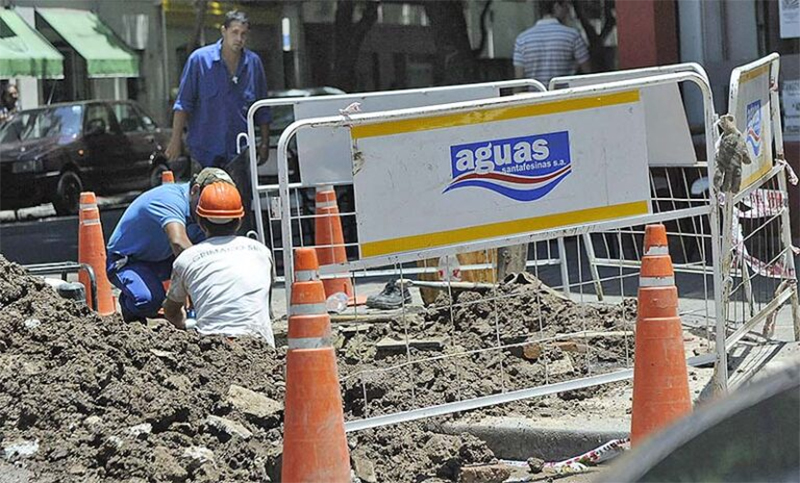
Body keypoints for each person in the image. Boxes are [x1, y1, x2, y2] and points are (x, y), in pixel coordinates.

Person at [165, 9, 271, 233]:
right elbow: (183, 103)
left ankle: (242, 250)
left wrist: (263, 142)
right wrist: (175, 140)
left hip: (239, 149)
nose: (239, 39)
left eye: (243, 34)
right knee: (201, 206)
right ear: (223, 31)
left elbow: (262, 107)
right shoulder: (200, 61)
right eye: (234, 32)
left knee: (240, 206)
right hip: (205, 148)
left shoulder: (253, 63)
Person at [106, 167, 235, 321]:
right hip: (128, 260)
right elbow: (178, 242)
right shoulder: (169, 199)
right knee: (148, 301)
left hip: (162, 258)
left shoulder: (201, 210)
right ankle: (129, 305)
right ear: (195, 191)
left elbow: (206, 256)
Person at [163, 182, 275, 346]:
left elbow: (172, 311)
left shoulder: (186, 259)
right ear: (239, 220)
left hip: (214, 352)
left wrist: (184, 325)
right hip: (261, 348)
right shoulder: (262, 252)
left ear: (200, 222)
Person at [513, 0, 592, 86]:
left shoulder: (522, 39)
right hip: (564, 97)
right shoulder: (572, 36)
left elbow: (519, 79)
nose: (567, 11)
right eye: (566, 6)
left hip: (535, 97)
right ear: (556, 6)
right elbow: (588, 73)